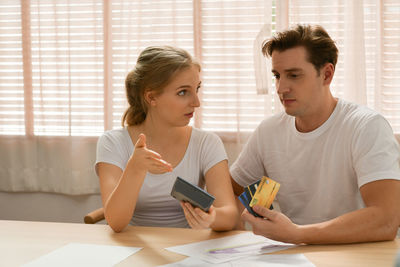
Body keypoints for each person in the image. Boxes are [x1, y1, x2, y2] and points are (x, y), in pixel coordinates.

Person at [230, 24, 400, 244]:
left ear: (327, 74)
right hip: (295, 255)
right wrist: (231, 223)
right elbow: (230, 193)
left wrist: (297, 234)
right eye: (277, 75)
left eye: (294, 75)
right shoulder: (268, 131)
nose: (281, 88)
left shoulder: (366, 126)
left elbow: (386, 219)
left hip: (358, 254)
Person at [96, 46, 238, 232]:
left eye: (197, 89)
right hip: (133, 251)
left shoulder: (207, 143)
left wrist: (211, 218)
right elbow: (116, 222)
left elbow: (229, 215)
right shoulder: (112, 142)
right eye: (183, 92)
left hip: (189, 250)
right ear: (151, 97)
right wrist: (135, 168)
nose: (196, 102)